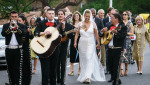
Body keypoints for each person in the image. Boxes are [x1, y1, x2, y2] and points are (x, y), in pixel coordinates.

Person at [74, 9, 105, 84]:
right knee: (83, 59)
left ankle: (88, 77)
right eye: (86, 16)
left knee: (88, 57)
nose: (87, 17)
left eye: (88, 16)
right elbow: (77, 34)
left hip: (91, 43)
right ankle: (84, 75)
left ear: (90, 16)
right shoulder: (80, 24)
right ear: (84, 16)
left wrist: (98, 43)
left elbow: (96, 34)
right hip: (82, 43)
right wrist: (75, 42)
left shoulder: (93, 24)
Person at [34, 8, 60, 85]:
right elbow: (35, 33)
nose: (51, 15)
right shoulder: (41, 23)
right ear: (46, 14)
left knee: (54, 69)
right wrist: (42, 33)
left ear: (54, 14)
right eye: (50, 13)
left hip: (55, 49)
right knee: (45, 69)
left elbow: (63, 35)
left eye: (52, 13)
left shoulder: (58, 23)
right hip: (44, 49)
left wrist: (63, 28)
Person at [101, 13, 127, 85]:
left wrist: (116, 33)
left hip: (117, 49)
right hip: (109, 48)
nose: (110, 19)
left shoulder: (123, 27)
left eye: (111, 18)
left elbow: (122, 37)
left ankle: (116, 80)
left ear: (116, 19)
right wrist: (102, 31)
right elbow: (102, 36)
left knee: (116, 66)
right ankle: (114, 78)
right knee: (110, 66)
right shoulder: (109, 26)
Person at [1, 11, 25, 85]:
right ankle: (12, 83)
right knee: (10, 69)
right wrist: (10, 28)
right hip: (9, 49)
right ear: (10, 17)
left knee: (17, 69)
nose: (14, 18)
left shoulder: (21, 26)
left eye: (15, 17)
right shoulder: (6, 25)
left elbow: (24, 33)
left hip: (18, 49)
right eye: (12, 17)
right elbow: (3, 34)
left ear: (17, 17)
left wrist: (17, 28)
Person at [56, 9, 74, 85]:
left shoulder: (69, 25)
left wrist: (66, 32)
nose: (60, 15)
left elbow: (71, 36)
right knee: (56, 63)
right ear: (57, 15)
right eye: (59, 14)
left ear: (64, 15)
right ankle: (58, 79)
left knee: (63, 64)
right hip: (55, 46)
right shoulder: (55, 24)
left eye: (61, 14)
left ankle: (63, 81)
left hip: (64, 46)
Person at [18, 15, 33, 85]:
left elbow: (31, 36)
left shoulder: (27, 28)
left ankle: (26, 82)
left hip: (25, 50)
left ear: (24, 21)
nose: (18, 22)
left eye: (20, 21)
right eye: (17, 21)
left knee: (26, 67)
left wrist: (29, 32)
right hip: (17, 50)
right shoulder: (15, 28)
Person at [120, 11, 134, 77]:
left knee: (127, 55)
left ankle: (126, 70)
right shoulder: (121, 22)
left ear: (128, 15)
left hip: (128, 40)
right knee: (122, 54)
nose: (124, 15)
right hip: (122, 39)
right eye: (123, 14)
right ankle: (121, 71)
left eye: (125, 14)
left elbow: (132, 33)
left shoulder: (130, 23)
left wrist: (126, 33)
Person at [68, 11, 82, 76]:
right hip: (73, 40)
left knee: (80, 55)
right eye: (75, 16)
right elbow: (69, 35)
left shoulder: (81, 24)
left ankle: (80, 70)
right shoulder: (71, 25)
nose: (76, 17)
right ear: (73, 17)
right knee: (72, 55)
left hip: (80, 40)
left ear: (79, 16)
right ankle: (71, 70)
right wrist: (73, 32)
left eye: (77, 16)